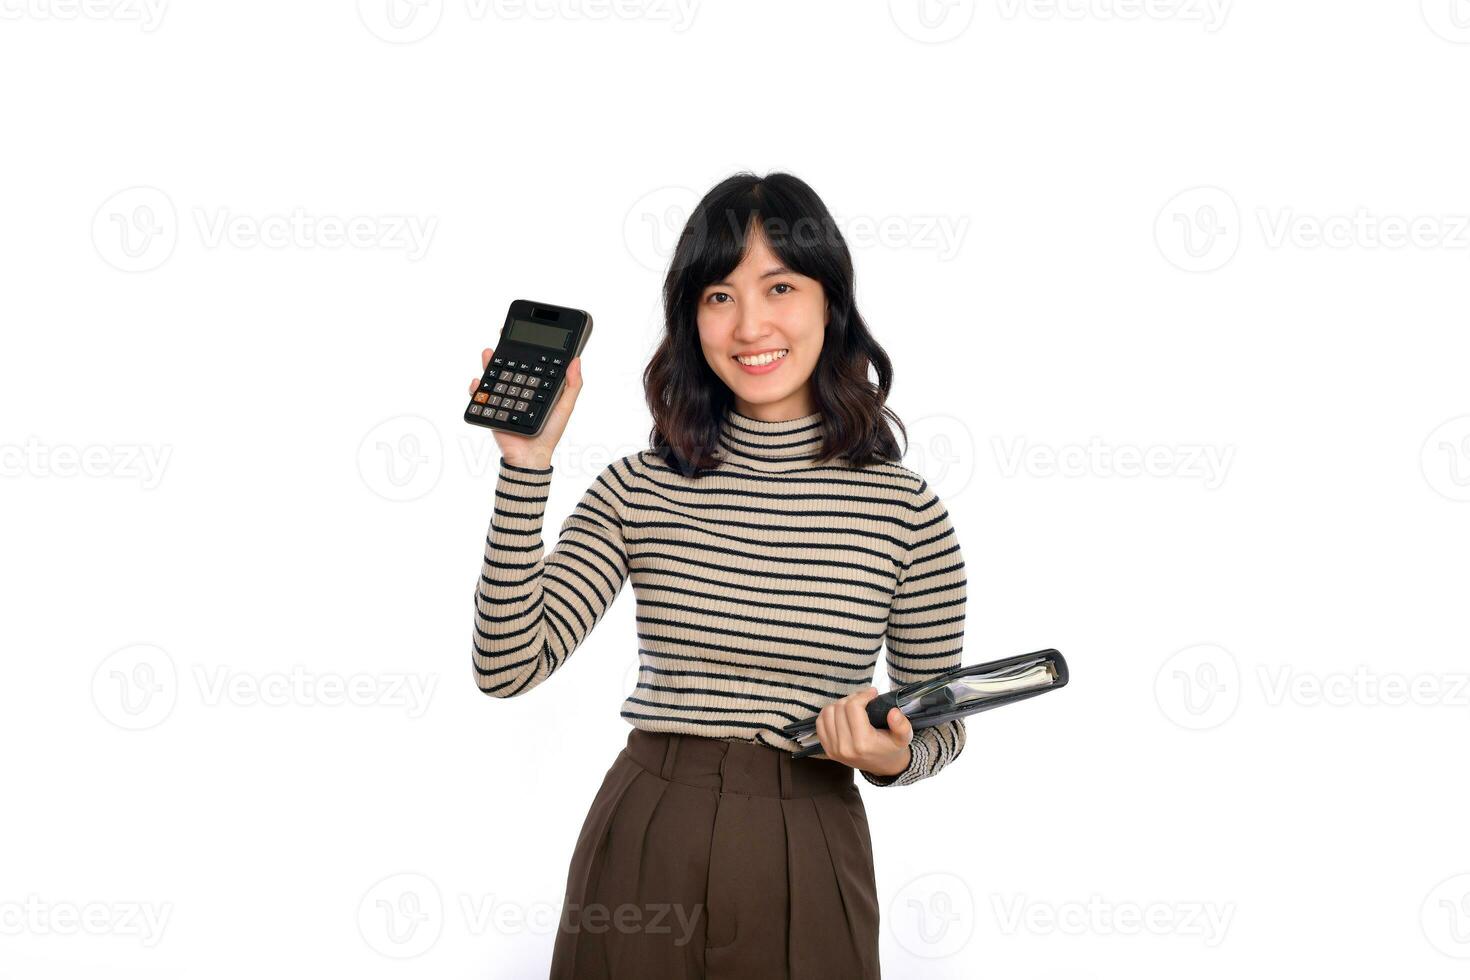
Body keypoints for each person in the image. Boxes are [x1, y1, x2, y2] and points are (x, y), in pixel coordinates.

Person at [469, 172, 968, 979]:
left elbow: (941, 722)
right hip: (646, 835)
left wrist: (888, 755)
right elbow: (505, 665)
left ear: (829, 304)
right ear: (690, 316)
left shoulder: (906, 513)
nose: (750, 324)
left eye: (780, 287)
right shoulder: (639, 486)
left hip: (813, 844)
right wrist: (527, 465)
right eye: (718, 296)